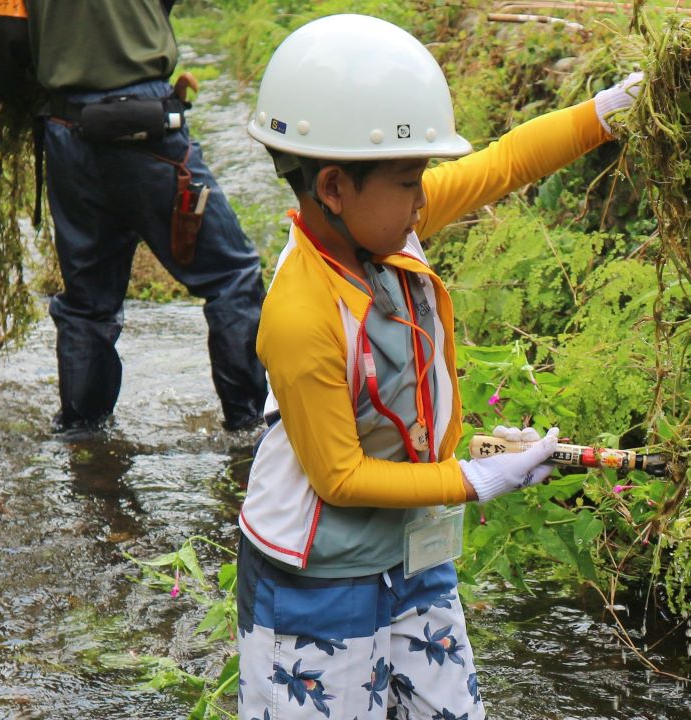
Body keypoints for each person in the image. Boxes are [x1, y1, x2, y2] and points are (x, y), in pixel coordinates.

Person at [236, 13, 641, 719]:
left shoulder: (390, 224)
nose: (425, 195)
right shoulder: (301, 313)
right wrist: (474, 479)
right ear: (332, 187)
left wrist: (607, 113)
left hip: (411, 554)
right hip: (315, 578)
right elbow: (339, 476)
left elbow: (507, 164)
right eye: (408, 178)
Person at [0, 0, 268, 433]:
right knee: (232, 276)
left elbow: (6, 48)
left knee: (87, 305)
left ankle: (84, 439)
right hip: (148, 127)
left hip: (69, 133)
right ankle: (250, 432)